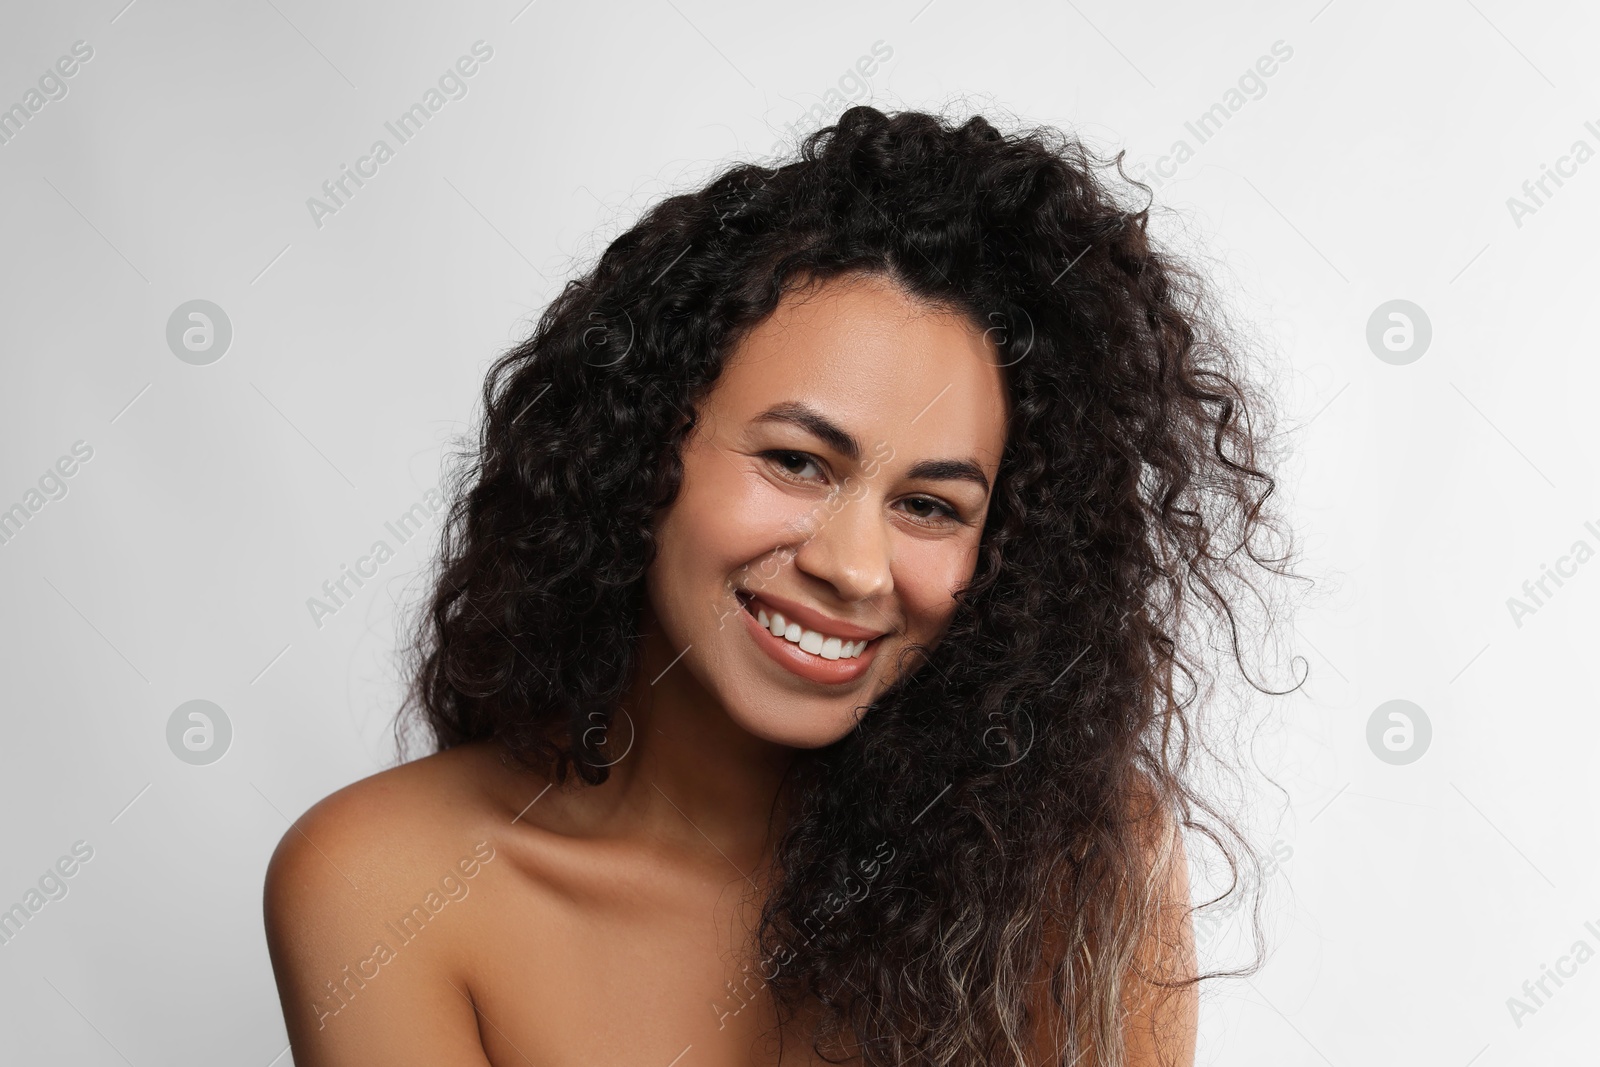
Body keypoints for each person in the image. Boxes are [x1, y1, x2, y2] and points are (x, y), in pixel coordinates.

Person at [264, 105, 1291, 1066]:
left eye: (930, 506)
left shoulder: (1078, 862)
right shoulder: (383, 881)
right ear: (639, 449)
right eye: (797, 461)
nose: (850, 565)